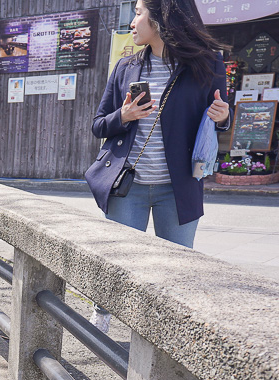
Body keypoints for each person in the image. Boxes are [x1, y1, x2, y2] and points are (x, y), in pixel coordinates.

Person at [85, 0, 229, 331]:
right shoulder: (126, 67)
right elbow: (98, 125)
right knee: (117, 262)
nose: (132, 21)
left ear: (162, 18)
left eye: (138, 13)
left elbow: (219, 116)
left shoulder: (206, 65)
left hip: (176, 188)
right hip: (128, 186)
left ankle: (166, 333)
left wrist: (223, 117)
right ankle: (102, 315)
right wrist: (123, 116)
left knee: (177, 270)